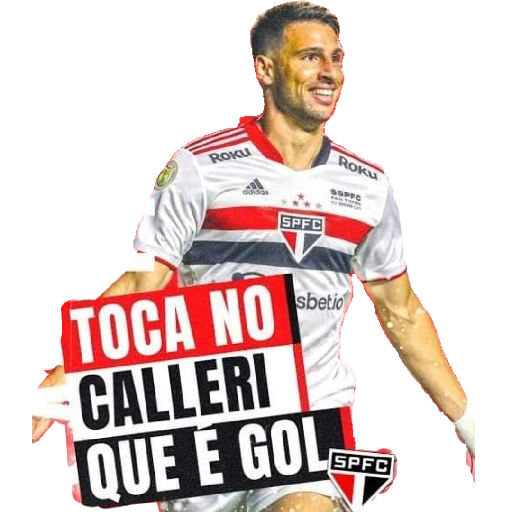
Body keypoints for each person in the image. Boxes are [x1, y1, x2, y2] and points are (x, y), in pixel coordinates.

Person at [32, 2, 479, 511]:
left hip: (311, 415)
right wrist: (64, 377)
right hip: (207, 418)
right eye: (310, 57)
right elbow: (141, 283)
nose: (329, 71)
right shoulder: (201, 168)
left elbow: (401, 311)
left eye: (335, 58)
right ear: (265, 70)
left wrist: (471, 426)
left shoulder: (370, 187)